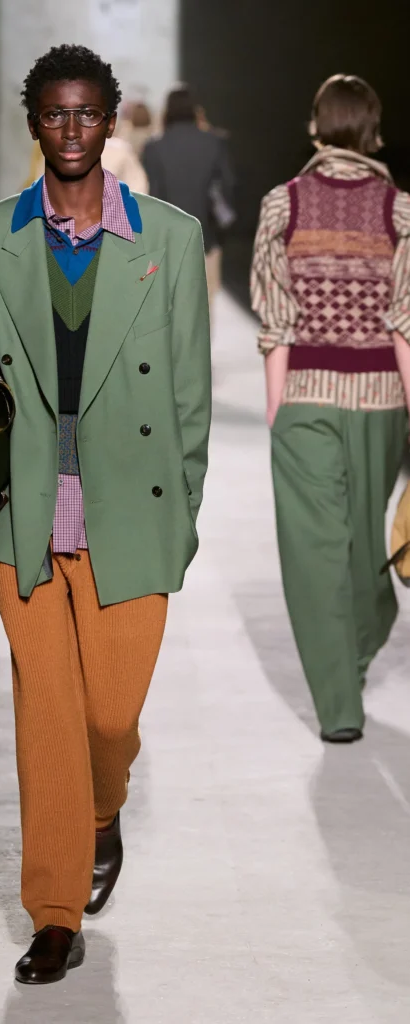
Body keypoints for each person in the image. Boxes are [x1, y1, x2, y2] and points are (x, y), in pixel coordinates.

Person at [0, 44, 211, 983]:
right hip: (27, 507)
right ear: (35, 123)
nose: (73, 129)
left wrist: (183, 510)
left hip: (134, 505)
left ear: (111, 120)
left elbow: (189, 395)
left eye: (88, 113)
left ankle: (100, 807)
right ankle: (53, 912)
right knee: (46, 713)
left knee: (110, 713)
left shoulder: (167, 238)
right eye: (55, 113)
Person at [251, 74, 410, 744]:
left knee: (316, 552)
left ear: (316, 127)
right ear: (373, 131)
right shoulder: (399, 211)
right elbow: (405, 323)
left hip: (304, 396)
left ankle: (339, 688)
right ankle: (344, 688)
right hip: (382, 400)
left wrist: (275, 406)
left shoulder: (281, 205)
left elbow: (275, 320)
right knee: (360, 543)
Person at [143, 84, 235, 320]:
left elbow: (152, 194)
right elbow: (228, 186)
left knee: (170, 305)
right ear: (195, 110)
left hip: (167, 240)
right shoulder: (214, 143)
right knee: (204, 303)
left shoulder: (154, 148)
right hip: (207, 236)